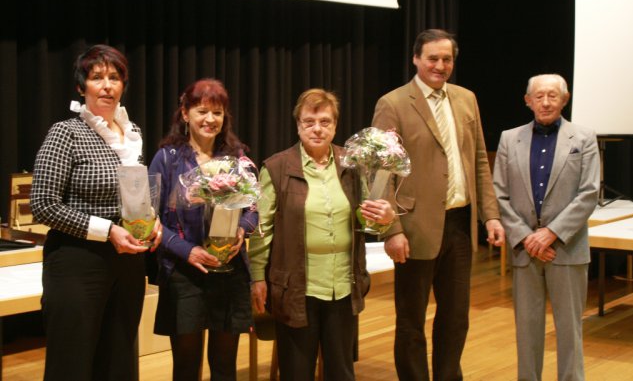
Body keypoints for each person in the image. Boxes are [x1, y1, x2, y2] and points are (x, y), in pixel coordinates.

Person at [371, 28, 505, 381]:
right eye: (433, 58)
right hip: (414, 228)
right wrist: (392, 230)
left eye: (447, 59)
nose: (440, 65)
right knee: (411, 321)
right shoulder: (393, 103)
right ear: (416, 59)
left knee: (456, 317)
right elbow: (380, 172)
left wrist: (491, 215)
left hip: (460, 226)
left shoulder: (466, 99)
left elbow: (479, 160)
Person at [31, 44, 161, 381]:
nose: (106, 85)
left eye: (114, 78)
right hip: (77, 262)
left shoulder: (132, 133)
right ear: (81, 87)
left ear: (123, 86)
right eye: (96, 77)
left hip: (128, 262)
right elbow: (43, 204)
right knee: (71, 365)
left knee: (119, 362)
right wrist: (108, 230)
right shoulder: (66, 133)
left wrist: (152, 219)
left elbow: (134, 195)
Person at [249, 88, 395, 381]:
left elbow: (367, 218)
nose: (317, 128)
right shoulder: (276, 168)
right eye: (309, 122)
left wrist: (384, 220)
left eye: (325, 121)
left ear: (335, 125)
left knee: (341, 372)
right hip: (295, 289)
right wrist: (257, 277)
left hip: (342, 286)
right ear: (298, 125)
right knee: (297, 373)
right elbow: (261, 230)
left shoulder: (352, 164)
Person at [149, 78, 258, 381]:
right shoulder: (167, 159)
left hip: (229, 271)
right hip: (184, 274)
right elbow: (149, 220)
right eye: (202, 111)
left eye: (217, 112)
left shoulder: (237, 157)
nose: (210, 119)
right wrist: (188, 251)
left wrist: (241, 231)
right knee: (186, 367)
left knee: (224, 366)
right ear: (185, 114)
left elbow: (253, 208)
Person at [492, 74, 599, 381]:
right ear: (528, 101)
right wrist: (527, 237)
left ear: (564, 100)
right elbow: (499, 194)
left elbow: (589, 193)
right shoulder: (509, 138)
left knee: (569, 328)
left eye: (553, 96)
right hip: (525, 249)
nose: (546, 102)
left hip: (567, 246)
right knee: (526, 328)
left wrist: (551, 233)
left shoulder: (584, 138)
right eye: (539, 96)